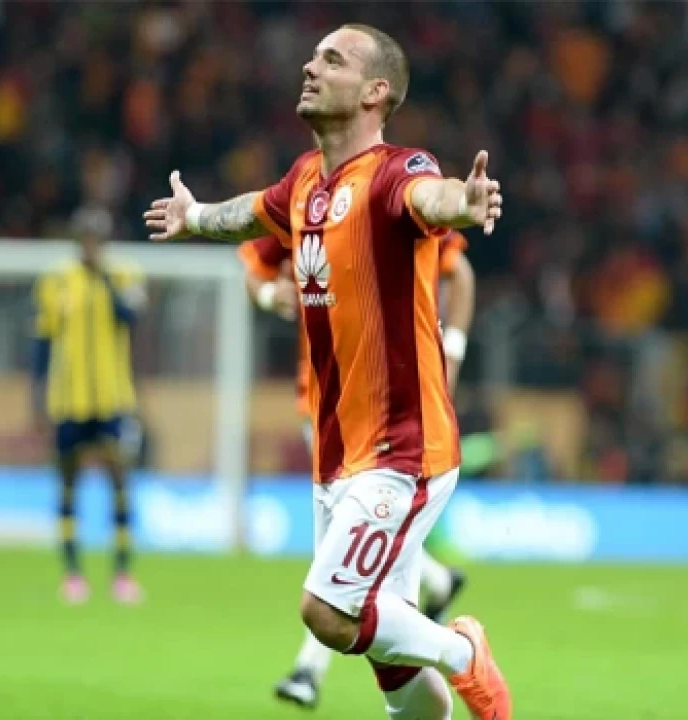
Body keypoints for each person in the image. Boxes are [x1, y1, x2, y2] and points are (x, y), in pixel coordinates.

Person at [145, 23, 511, 720]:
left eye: (332, 60)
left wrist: (462, 203)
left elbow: (431, 198)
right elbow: (250, 215)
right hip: (338, 452)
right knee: (390, 663)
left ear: (375, 92)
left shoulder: (397, 172)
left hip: (404, 448)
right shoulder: (305, 180)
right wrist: (196, 217)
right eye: (313, 57)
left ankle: (465, 653)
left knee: (328, 612)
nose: (310, 68)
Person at [239, 231, 475, 709]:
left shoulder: (393, 200)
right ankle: (437, 587)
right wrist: (267, 294)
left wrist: (453, 348)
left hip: (388, 412)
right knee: (353, 554)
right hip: (324, 403)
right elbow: (254, 267)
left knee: (339, 563)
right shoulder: (303, 201)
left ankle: (310, 668)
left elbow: (460, 269)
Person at [32, 207, 147, 605]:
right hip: (69, 400)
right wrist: (37, 397)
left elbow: (129, 317)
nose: (91, 245)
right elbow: (43, 342)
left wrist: (105, 280)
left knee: (120, 480)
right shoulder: (56, 281)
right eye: (85, 237)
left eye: (97, 238)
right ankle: (72, 573)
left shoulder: (125, 275)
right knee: (68, 482)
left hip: (114, 398)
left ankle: (122, 574)